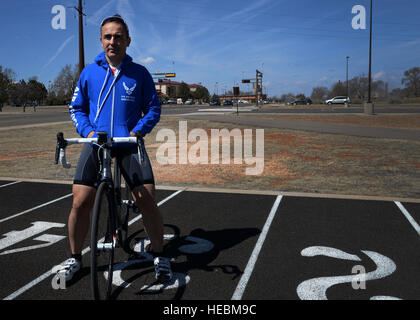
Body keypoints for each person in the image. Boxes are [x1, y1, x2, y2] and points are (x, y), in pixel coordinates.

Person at [56, 14, 172, 283]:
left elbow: (153, 108)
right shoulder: (89, 72)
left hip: (128, 143)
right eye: (108, 36)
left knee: (147, 199)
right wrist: (88, 132)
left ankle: (159, 254)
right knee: (80, 200)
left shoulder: (139, 73)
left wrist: (137, 131)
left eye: (118, 36)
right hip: (96, 143)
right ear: (101, 40)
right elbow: (76, 108)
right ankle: (74, 257)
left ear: (127, 41)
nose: (113, 41)